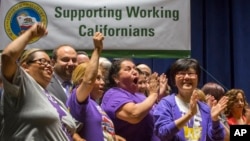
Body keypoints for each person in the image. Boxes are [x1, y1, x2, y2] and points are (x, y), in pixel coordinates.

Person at [0, 23, 77, 140]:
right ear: (25, 66)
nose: (48, 66)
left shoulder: (51, 97)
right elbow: (8, 56)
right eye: (42, 61)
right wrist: (30, 34)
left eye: (49, 63)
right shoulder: (22, 85)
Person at [153, 58, 228, 141]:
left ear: (198, 79)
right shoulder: (166, 104)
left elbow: (218, 138)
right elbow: (162, 133)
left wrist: (215, 120)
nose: (187, 77)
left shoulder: (205, 109)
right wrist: (189, 115)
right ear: (174, 80)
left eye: (191, 73)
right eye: (181, 73)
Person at [101, 58, 160, 141]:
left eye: (135, 68)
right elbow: (134, 115)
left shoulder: (139, 95)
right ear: (116, 78)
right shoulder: (113, 94)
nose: (135, 71)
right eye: (128, 69)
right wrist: (153, 94)